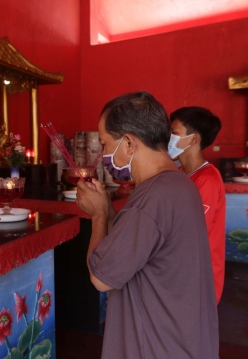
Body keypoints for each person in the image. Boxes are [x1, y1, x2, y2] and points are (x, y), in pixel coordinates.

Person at [75, 91, 218, 359]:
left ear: (129, 143)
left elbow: (101, 278)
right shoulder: (178, 184)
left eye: (106, 144)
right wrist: (107, 207)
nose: (104, 154)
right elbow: (140, 242)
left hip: (157, 345)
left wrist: (98, 216)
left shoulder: (153, 196)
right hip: (184, 338)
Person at [169, 106, 225, 304]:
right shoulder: (181, 174)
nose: (168, 138)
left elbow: (190, 234)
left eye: (174, 133)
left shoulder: (207, 179)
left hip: (199, 278)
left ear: (194, 139)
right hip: (180, 274)